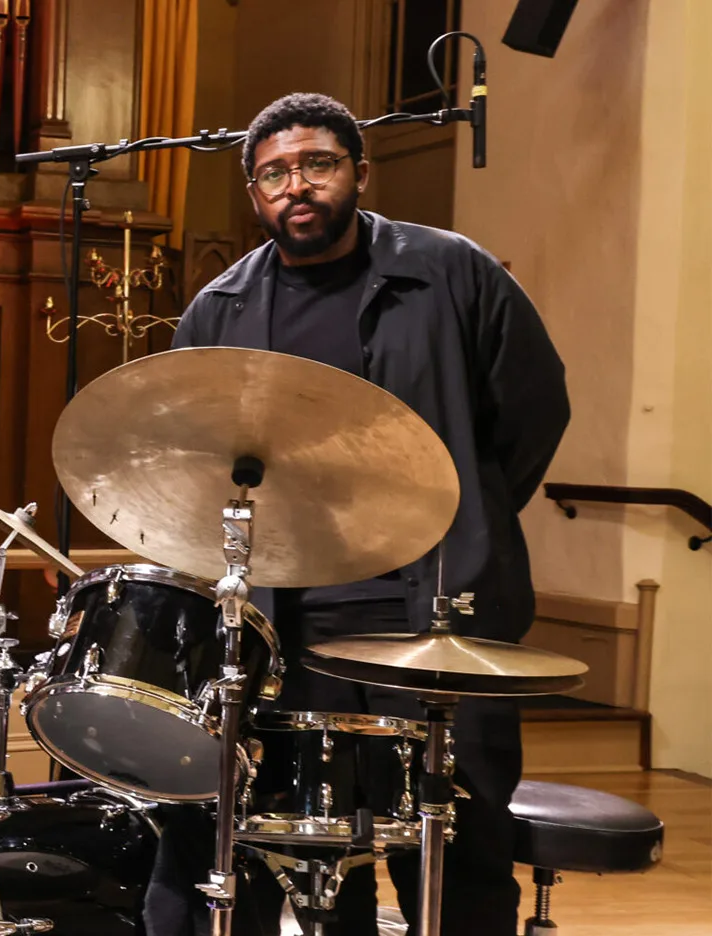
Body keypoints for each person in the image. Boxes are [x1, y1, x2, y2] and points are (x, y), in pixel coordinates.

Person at [149, 92, 570, 936]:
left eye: (318, 164)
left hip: (439, 608)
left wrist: (465, 519)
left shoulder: (453, 272)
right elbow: (193, 468)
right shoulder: (219, 312)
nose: (296, 187)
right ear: (254, 193)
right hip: (288, 619)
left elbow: (533, 410)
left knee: (457, 844)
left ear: (359, 174)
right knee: (294, 844)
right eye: (274, 174)